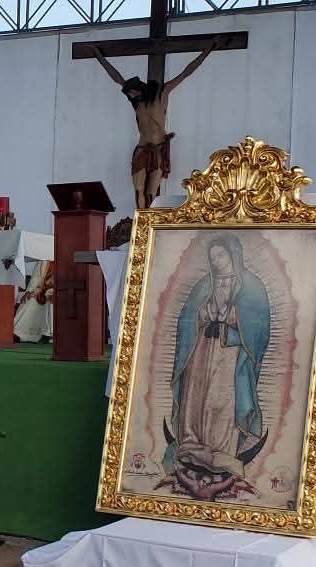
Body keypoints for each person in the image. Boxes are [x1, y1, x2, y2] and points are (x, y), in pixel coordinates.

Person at [160, 236, 269, 501]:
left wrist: (233, 316)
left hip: (230, 354)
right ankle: (192, 445)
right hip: (200, 351)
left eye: (220, 256)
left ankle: (222, 452)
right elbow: (186, 318)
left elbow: (260, 325)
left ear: (233, 255)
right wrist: (202, 314)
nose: (216, 261)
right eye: (213, 257)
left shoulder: (252, 286)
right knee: (196, 398)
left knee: (222, 401)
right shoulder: (204, 284)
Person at [91, 39, 221, 209]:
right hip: (142, 148)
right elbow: (116, 77)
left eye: (132, 91)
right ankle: (140, 220)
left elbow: (186, 73)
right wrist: (98, 55)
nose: (130, 94)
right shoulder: (136, 102)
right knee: (138, 189)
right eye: (129, 93)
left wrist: (207, 50)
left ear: (139, 88)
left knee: (152, 191)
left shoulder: (162, 93)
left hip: (158, 149)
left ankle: (151, 221)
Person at [13, 261, 53, 343]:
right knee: (30, 299)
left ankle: (48, 333)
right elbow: (36, 277)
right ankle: (18, 333)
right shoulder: (44, 260)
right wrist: (30, 291)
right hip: (43, 290)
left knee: (51, 299)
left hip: (58, 291)